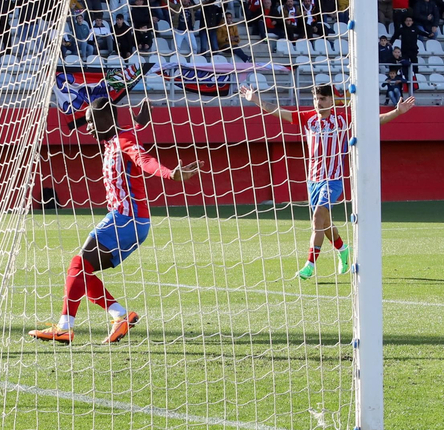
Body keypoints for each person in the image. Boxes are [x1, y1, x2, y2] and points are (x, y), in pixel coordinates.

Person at [28, 98, 197, 345]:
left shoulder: (123, 142)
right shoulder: (116, 139)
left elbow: (144, 159)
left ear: (106, 119)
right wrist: (140, 122)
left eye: (91, 122)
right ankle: (120, 315)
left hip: (125, 220)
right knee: (80, 270)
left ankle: (65, 327)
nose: (88, 129)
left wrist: (170, 173)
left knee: (77, 266)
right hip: (130, 221)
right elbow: (130, 137)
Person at [238, 83, 415, 279]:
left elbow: (373, 121)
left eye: (322, 99)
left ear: (332, 100)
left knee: (317, 218)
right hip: (312, 180)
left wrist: (397, 112)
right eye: (316, 99)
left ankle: (309, 266)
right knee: (324, 223)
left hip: (333, 180)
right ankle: (343, 250)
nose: (318, 102)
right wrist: (255, 100)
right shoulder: (308, 119)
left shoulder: (342, 120)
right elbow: (278, 111)